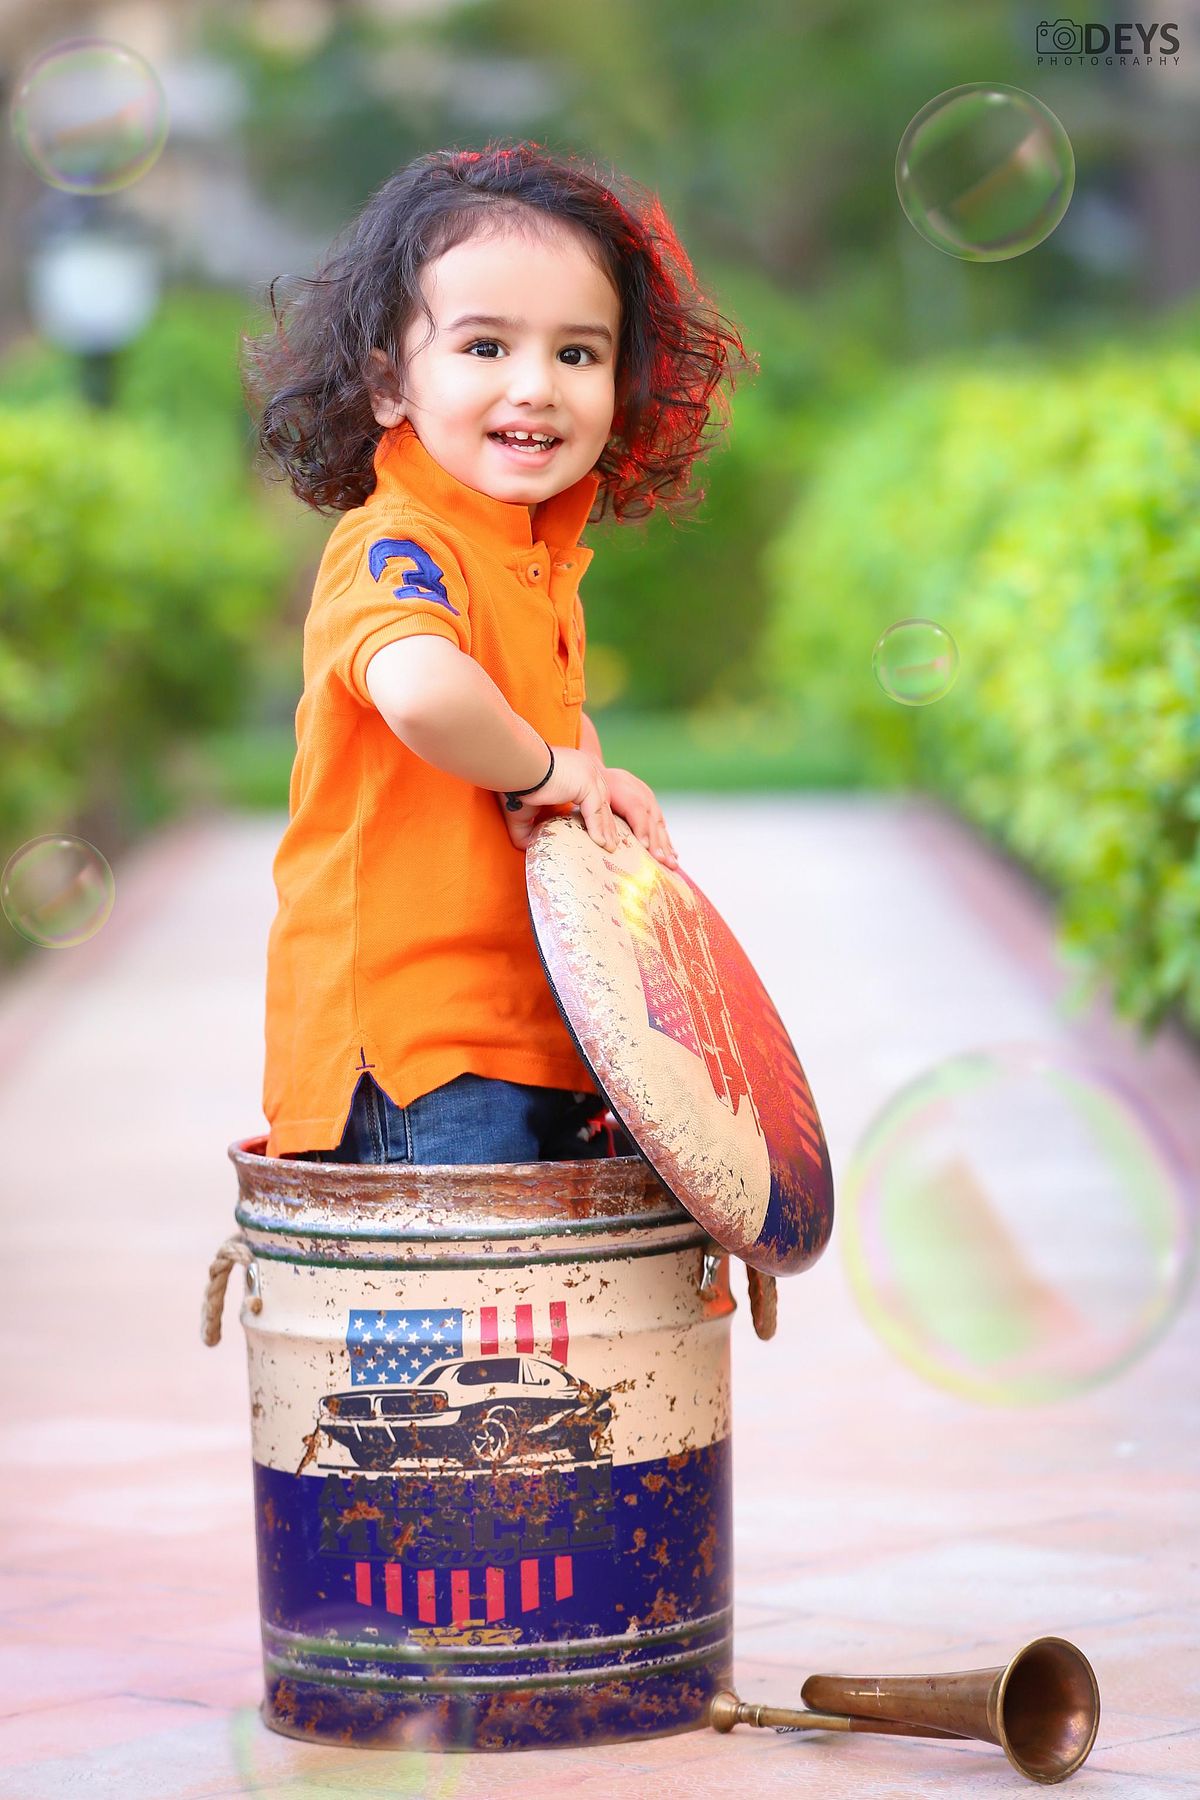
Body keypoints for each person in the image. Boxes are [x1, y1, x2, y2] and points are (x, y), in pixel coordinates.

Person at [242, 140, 757, 1166]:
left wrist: (592, 781)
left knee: (551, 1312)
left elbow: (542, 724)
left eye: (578, 354)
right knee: (467, 1315)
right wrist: (548, 769)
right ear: (388, 382)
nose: (536, 386)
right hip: (415, 1051)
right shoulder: (399, 545)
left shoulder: (530, 556)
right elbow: (429, 695)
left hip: (532, 1032)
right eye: (484, 348)